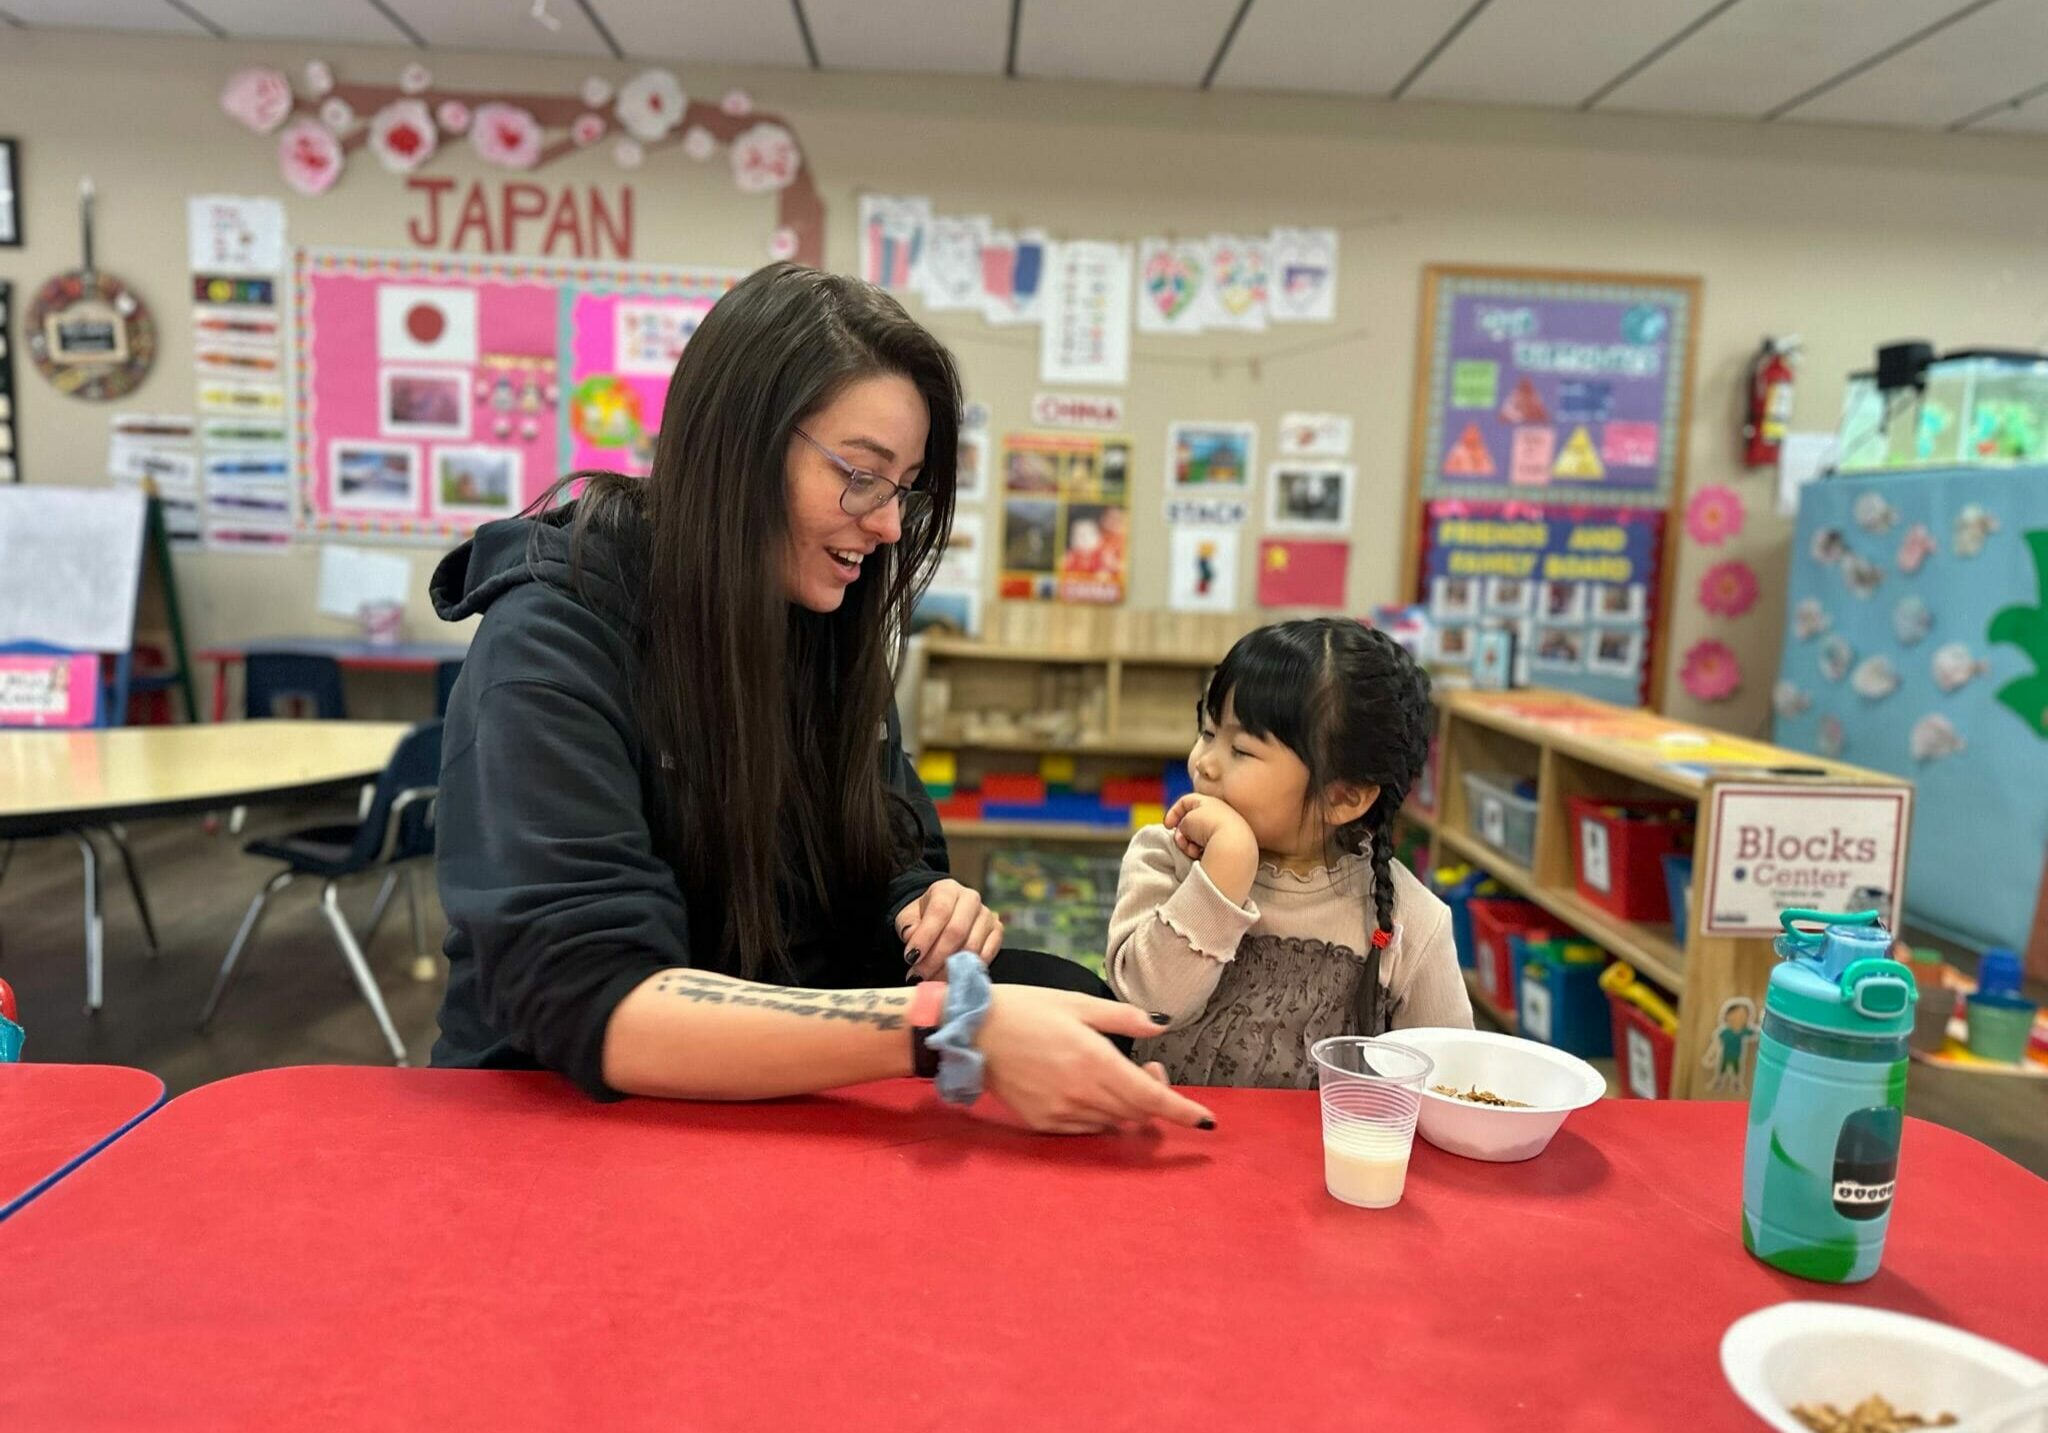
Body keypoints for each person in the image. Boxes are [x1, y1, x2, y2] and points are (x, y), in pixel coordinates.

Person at [429, 263, 1213, 1135]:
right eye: (860, 473)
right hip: (566, 1111)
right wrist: (944, 1026)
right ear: (737, 444)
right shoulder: (552, 641)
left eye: (903, 488)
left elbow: (881, 849)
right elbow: (596, 996)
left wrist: (922, 905)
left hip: (763, 1082)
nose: (885, 526)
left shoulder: (816, 617)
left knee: (1072, 1002)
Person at [1105, 619, 1472, 1087]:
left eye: (1240, 749)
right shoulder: (1166, 854)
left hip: (1316, 1158)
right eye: (1207, 732)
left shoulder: (1407, 919)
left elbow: (1449, 1082)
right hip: (1174, 1145)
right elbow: (1149, 1006)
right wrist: (1225, 870)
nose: (1204, 761)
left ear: (1344, 796)